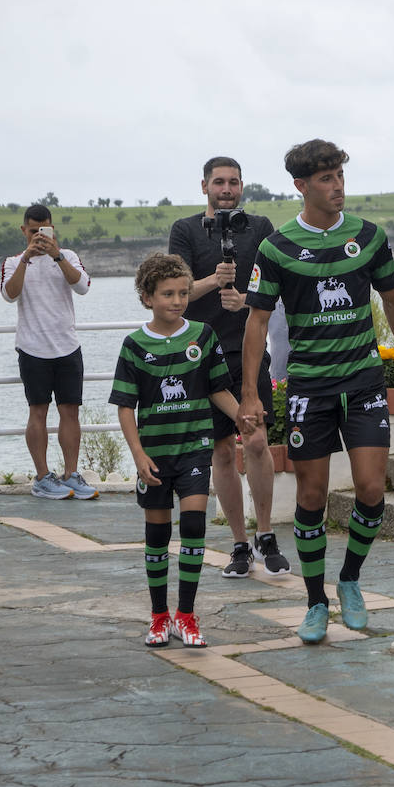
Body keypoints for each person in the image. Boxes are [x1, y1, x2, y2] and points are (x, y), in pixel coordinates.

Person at [238, 138, 394, 644]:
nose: (337, 185)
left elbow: (393, 300)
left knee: (369, 489)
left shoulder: (368, 237)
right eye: (325, 178)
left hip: (364, 382)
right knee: (312, 496)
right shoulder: (276, 247)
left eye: (340, 175)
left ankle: (350, 581)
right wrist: (251, 395)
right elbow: (256, 323)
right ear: (301, 186)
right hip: (309, 390)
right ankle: (316, 600)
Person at [110, 253, 241, 649]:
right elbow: (125, 406)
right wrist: (137, 455)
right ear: (147, 297)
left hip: (195, 450)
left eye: (183, 293)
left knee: (195, 529)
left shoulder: (203, 336)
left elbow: (219, 389)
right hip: (154, 456)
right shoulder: (134, 346)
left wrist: (245, 419)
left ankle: (186, 615)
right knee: (157, 536)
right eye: (168, 294)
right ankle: (158, 617)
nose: (178, 300)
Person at [169, 157, 290, 578]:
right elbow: (175, 292)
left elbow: (277, 285)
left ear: (242, 186)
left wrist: (249, 300)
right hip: (199, 355)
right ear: (204, 185)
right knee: (221, 450)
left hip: (248, 352)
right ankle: (239, 543)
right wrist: (213, 282)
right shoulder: (185, 231)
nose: (226, 189)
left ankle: (267, 534)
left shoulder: (260, 228)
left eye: (233, 182)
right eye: (218, 182)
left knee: (256, 442)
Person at [0, 205, 96, 501]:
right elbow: (8, 294)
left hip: (67, 345)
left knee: (70, 411)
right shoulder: (14, 261)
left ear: (53, 229)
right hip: (32, 347)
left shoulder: (68, 257)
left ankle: (71, 474)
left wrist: (56, 255)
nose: (39, 237)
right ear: (24, 231)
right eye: (33, 232)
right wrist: (28, 258)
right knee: (37, 411)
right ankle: (42, 477)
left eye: (44, 231)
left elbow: (82, 286)